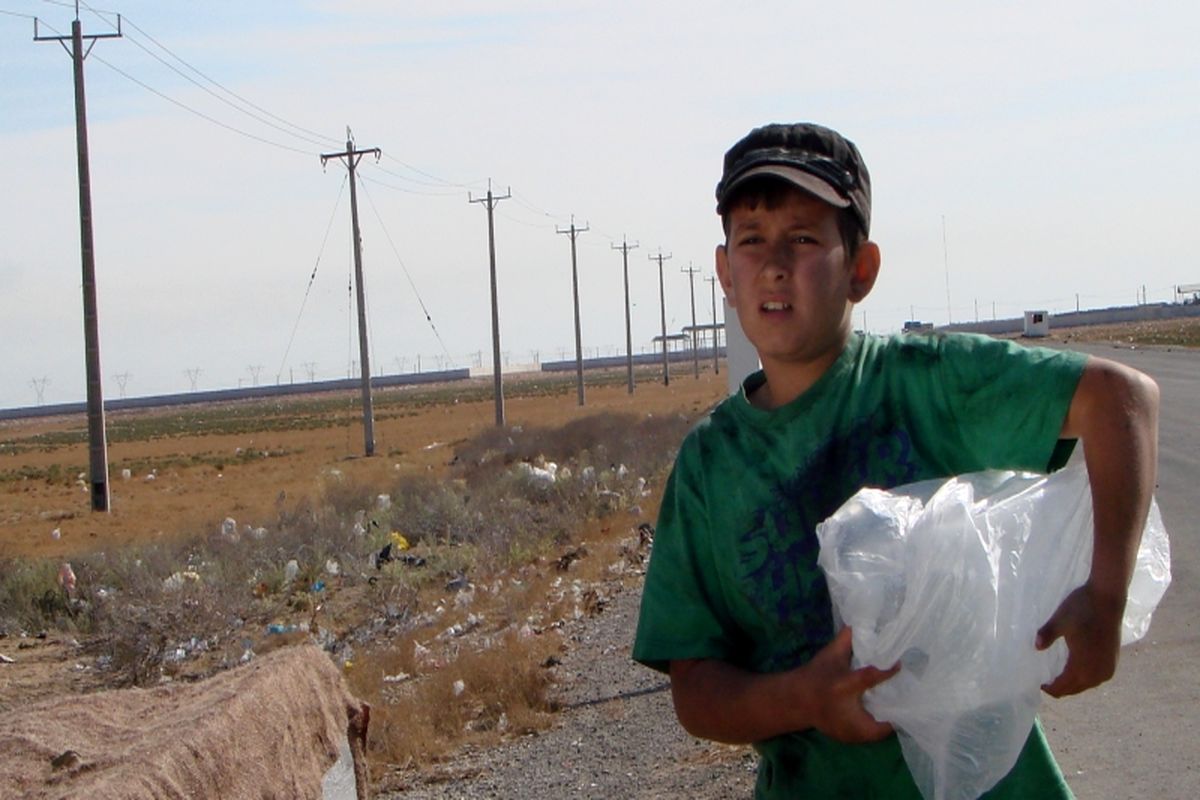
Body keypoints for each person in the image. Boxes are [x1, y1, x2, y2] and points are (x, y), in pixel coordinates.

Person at [631, 122, 1159, 798]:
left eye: (803, 238)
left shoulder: (928, 383)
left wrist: (1106, 597)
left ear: (861, 269)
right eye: (751, 240)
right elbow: (696, 689)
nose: (774, 264)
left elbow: (1124, 400)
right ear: (724, 274)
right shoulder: (710, 466)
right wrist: (806, 699)